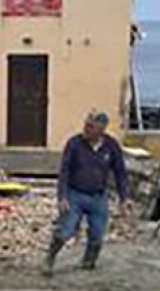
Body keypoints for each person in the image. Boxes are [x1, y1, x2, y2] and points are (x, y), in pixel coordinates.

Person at [43, 110, 132, 276]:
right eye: (86, 125)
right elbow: (65, 171)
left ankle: (88, 262)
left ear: (101, 129)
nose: (86, 129)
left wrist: (124, 198)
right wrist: (62, 197)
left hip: (98, 197)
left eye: (91, 127)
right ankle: (50, 259)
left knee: (97, 234)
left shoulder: (111, 146)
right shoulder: (74, 144)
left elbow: (120, 173)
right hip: (75, 195)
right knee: (66, 230)